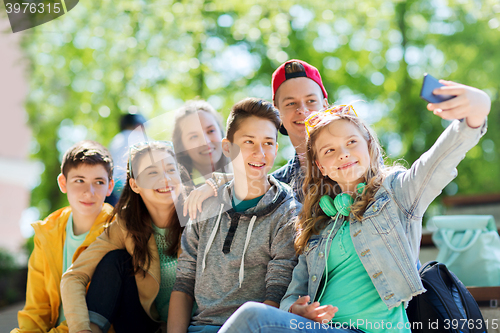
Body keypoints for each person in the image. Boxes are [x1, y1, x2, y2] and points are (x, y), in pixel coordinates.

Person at [217, 80, 491, 332]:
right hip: (322, 329)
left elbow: (437, 164)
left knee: (252, 317)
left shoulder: (397, 194)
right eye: (329, 150)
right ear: (321, 166)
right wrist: (296, 308)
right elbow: (294, 291)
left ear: (369, 146)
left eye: (351, 142)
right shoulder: (317, 222)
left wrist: (473, 117)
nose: (344, 153)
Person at [168, 98, 302, 333]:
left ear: (276, 149)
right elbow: (184, 282)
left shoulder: (287, 212)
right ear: (228, 148)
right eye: (248, 141)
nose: (259, 152)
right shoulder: (204, 204)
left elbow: (276, 291)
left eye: (268, 143)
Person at [61, 141, 188, 333]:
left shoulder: (200, 210)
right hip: (147, 326)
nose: (165, 178)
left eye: (171, 170)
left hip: (200, 323)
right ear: (135, 185)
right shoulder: (125, 226)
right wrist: (81, 330)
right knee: (115, 260)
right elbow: (73, 277)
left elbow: (238, 184)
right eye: (152, 172)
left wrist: (212, 184)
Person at [183, 60, 328, 218]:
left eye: (311, 101)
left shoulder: (351, 163)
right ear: (277, 114)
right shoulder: (278, 187)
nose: (302, 110)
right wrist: (216, 184)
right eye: (291, 103)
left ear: (325, 106)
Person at [12, 141, 115, 333]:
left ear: (110, 187)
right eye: (79, 180)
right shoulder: (47, 234)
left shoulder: (116, 230)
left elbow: (97, 313)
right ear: (63, 183)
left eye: (98, 182)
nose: (89, 192)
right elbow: (36, 310)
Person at [172, 99, 231, 188]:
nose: (205, 142)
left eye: (211, 131)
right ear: (182, 147)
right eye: (194, 136)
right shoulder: (177, 189)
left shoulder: (245, 168)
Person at [107, 113, 147, 206]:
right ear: (138, 125)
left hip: (111, 191)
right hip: (130, 190)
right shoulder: (140, 137)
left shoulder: (115, 140)